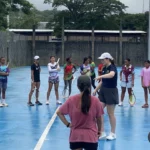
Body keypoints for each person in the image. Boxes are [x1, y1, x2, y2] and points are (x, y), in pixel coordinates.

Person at [57, 75, 104, 150]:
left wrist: (68, 124)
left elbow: (59, 112)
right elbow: (99, 118)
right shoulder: (95, 100)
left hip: (75, 137)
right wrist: (99, 131)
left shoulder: (71, 99)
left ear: (78, 86)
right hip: (90, 136)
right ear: (90, 85)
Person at [93, 52, 119, 140]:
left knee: (110, 113)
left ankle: (113, 133)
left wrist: (100, 76)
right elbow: (102, 81)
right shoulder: (104, 68)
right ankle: (102, 132)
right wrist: (96, 89)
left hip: (111, 91)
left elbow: (111, 75)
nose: (101, 61)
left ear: (108, 59)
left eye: (103, 59)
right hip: (103, 91)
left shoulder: (112, 67)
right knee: (99, 111)